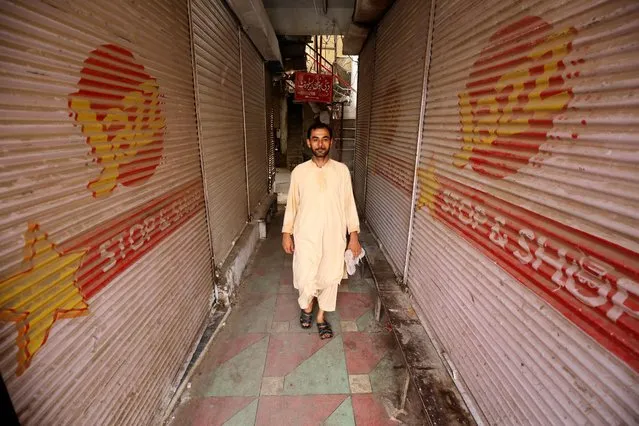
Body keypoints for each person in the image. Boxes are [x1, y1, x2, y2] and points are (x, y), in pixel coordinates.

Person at [282, 122, 362, 339]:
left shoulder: (341, 171)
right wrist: (286, 233)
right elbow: (292, 204)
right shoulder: (299, 172)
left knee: (329, 276)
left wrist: (353, 235)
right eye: (315, 139)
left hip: (333, 236)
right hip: (305, 234)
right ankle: (307, 307)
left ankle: (320, 317)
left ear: (331, 142)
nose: (320, 144)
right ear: (309, 143)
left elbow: (349, 204)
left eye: (325, 139)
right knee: (305, 273)